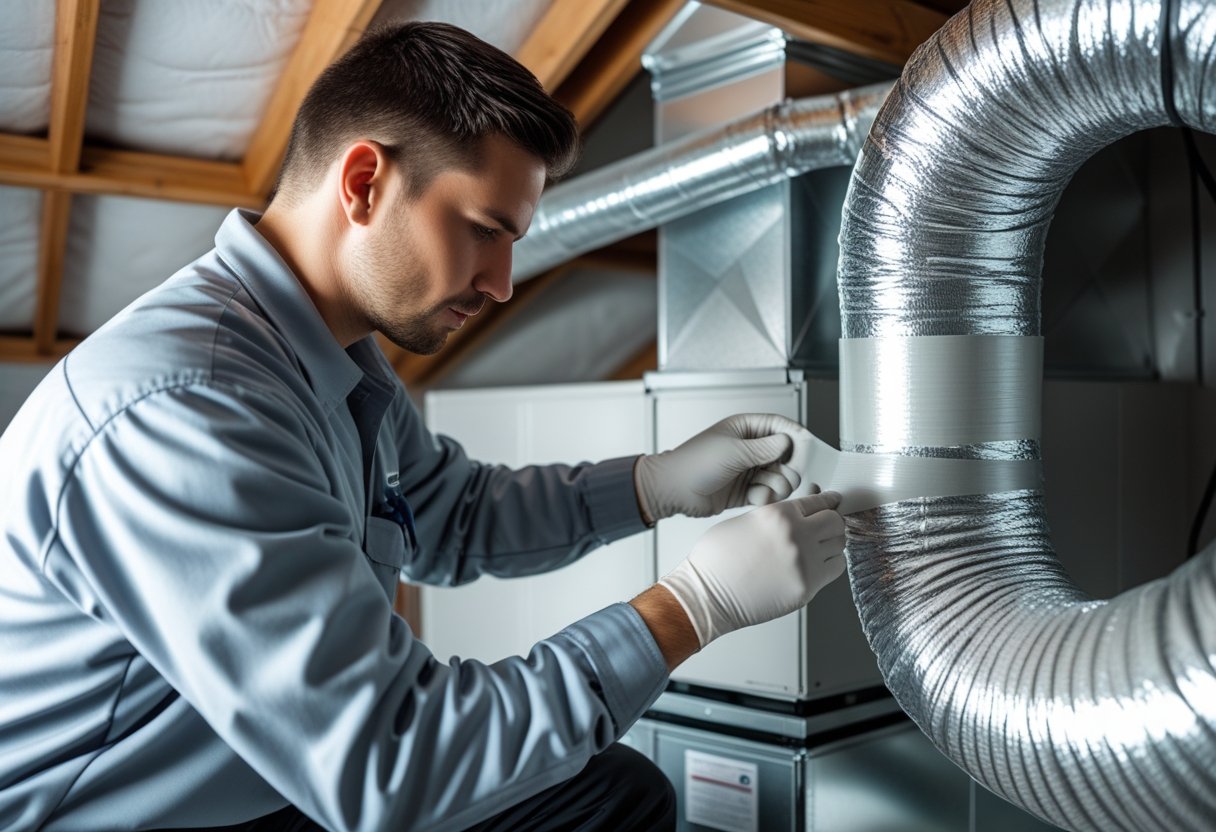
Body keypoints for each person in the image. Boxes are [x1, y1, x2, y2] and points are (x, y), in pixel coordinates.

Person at [0, 22, 846, 832]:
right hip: (113, 813)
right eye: (486, 231)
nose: (505, 283)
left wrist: (653, 483)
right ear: (364, 182)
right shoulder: (190, 407)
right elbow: (392, 763)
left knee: (607, 794)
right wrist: (693, 608)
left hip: (244, 779)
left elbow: (450, 514)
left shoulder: (335, 360)